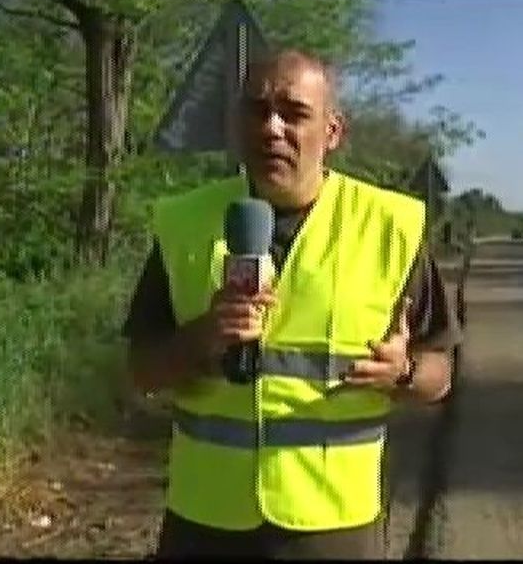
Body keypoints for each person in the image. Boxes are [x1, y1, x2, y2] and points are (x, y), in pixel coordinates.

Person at [122, 49, 461, 559]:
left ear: (332, 132)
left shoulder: (391, 226)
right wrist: (201, 337)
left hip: (334, 525)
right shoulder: (184, 222)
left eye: (294, 113)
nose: (272, 129)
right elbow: (140, 373)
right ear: (237, 126)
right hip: (204, 521)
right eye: (257, 112)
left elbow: (441, 373)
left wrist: (405, 372)